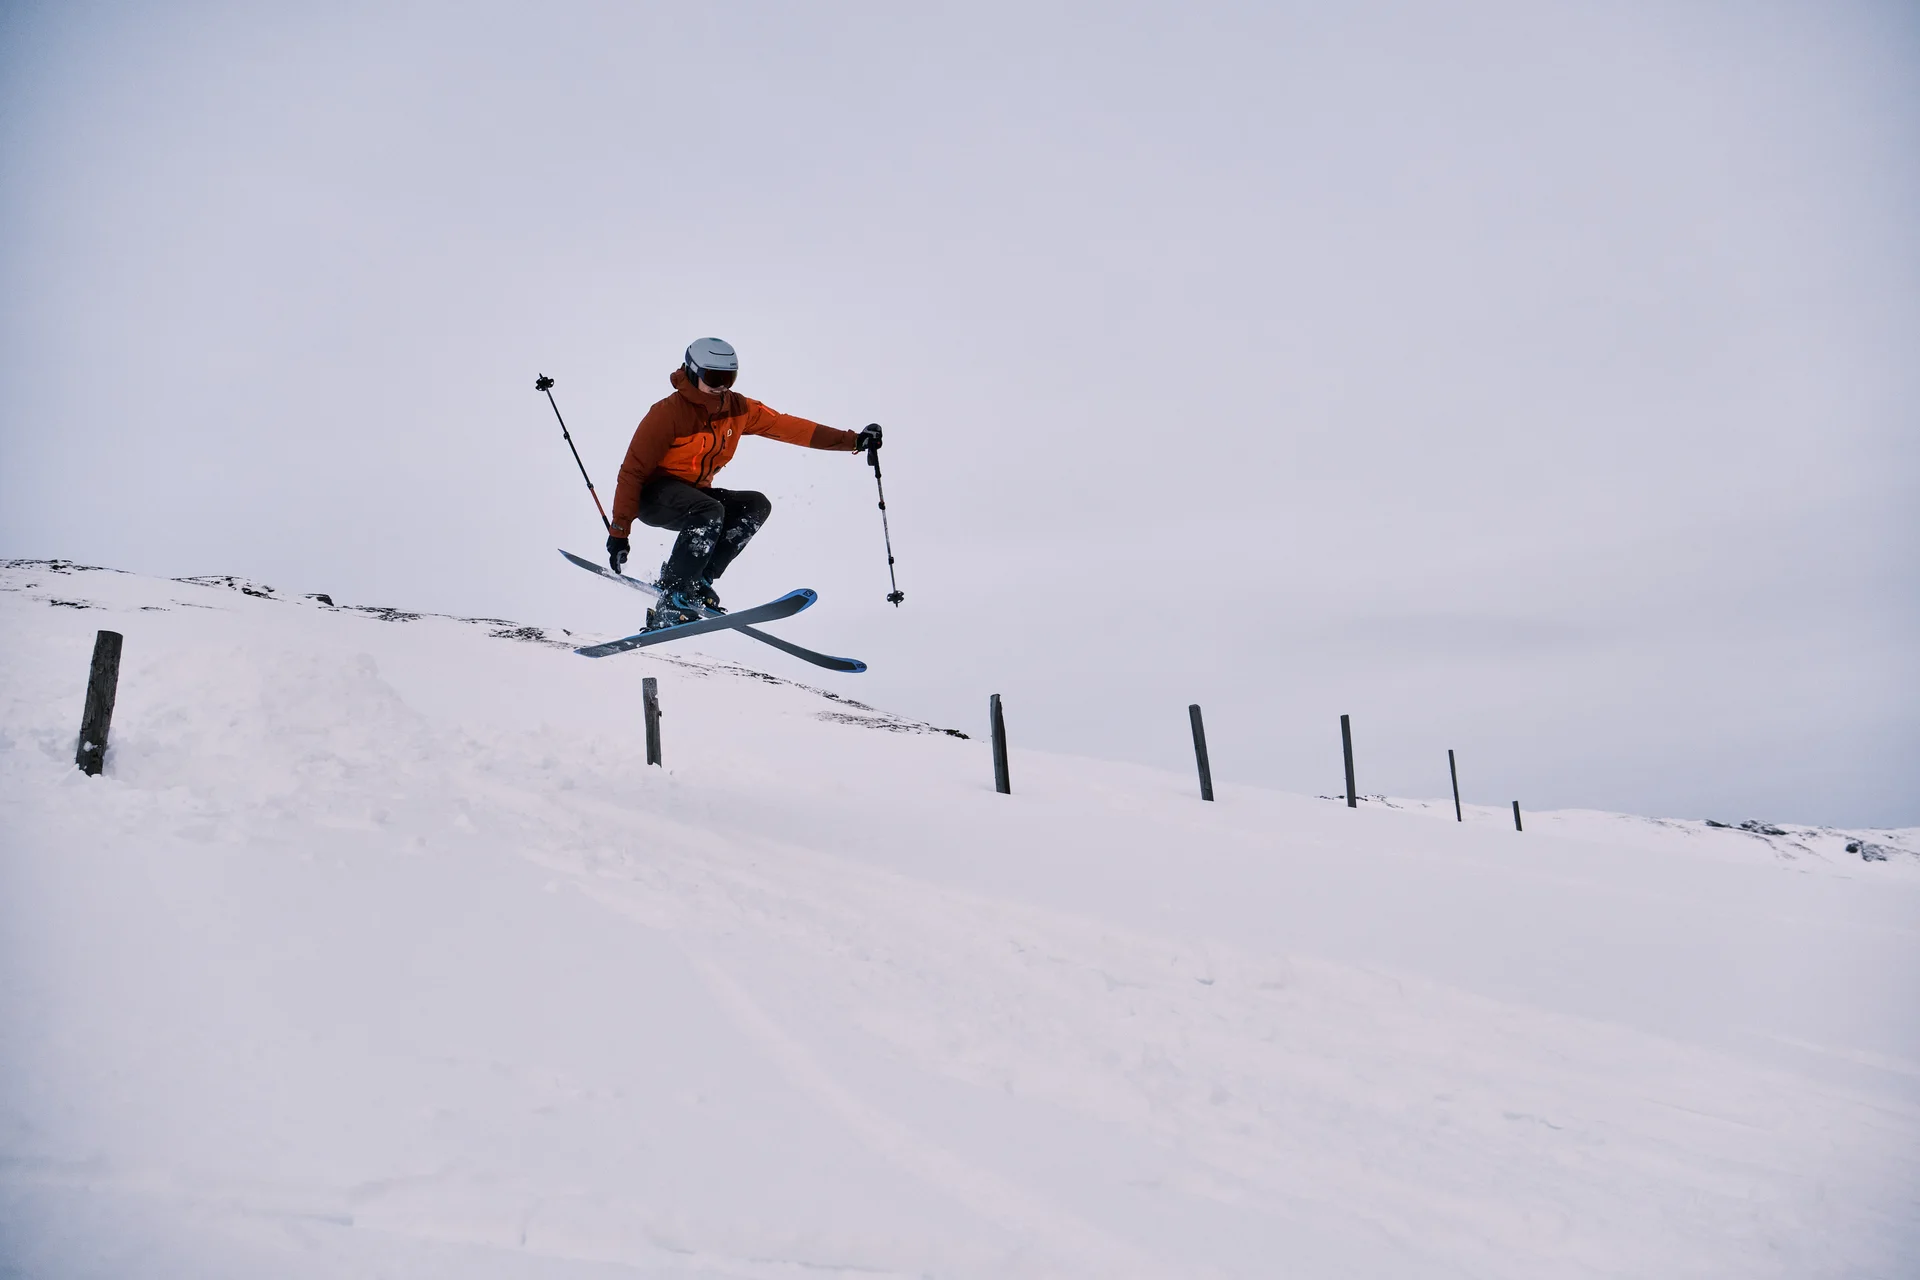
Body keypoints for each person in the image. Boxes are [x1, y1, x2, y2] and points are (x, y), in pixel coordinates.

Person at [606, 337, 882, 628]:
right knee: (709, 509)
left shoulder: (736, 409)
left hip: (695, 498)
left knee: (755, 505)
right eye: (714, 377)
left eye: (729, 377)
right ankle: (673, 594)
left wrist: (853, 440)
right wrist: (620, 532)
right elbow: (632, 472)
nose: (722, 385)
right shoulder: (667, 414)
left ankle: (698, 580)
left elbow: (790, 427)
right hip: (655, 498)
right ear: (692, 371)